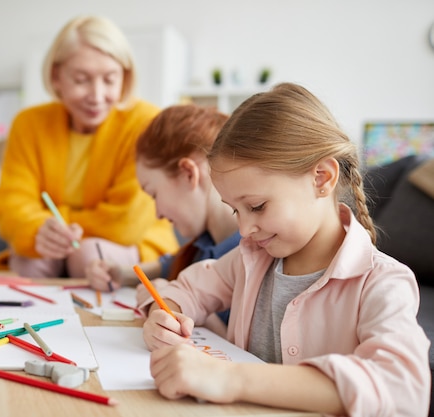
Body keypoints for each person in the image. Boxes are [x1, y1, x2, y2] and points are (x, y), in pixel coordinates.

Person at [140, 83, 430, 416]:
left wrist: (231, 378)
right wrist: (162, 314)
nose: (244, 229)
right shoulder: (250, 258)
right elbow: (186, 289)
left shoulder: (382, 283)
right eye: (236, 210)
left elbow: (403, 389)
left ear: (321, 178)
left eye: (258, 206)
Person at [0, 15, 178, 277]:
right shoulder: (28, 123)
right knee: (31, 259)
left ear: (124, 77)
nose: (97, 96)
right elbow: (11, 202)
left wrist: (57, 224)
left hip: (133, 244)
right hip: (61, 248)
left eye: (109, 80)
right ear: (56, 77)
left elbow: (126, 222)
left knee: (88, 254)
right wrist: (38, 231)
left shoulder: (145, 123)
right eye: (81, 80)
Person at [86, 105, 240, 332]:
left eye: (154, 194)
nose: (157, 212)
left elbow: (244, 347)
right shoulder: (204, 245)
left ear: (188, 173)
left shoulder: (255, 249)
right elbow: (168, 266)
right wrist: (120, 273)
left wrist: (176, 300)